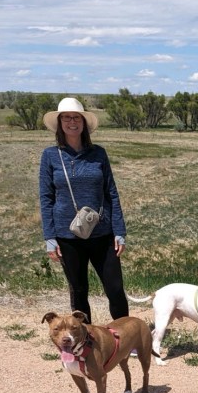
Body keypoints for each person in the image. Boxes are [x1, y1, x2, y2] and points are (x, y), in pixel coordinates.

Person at [39, 96, 129, 323]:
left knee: (115, 288)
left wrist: (119, 231)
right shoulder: (50, 155)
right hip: (67, 235)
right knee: (78, 290)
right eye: (66, 118)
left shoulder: (98, 153)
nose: (72, 122)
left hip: (103, 232)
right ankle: (86, 339)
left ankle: (124, 336)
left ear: (83, 122)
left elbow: (112, 193)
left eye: (76, 117)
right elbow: (46, 197)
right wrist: (50, 237)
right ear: (59, 123)